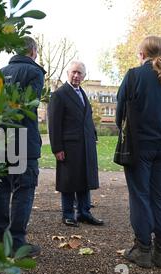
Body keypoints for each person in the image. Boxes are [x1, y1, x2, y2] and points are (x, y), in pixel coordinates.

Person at [117, 36, 161, 269]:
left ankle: (143, 249)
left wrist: (121, 129)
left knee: (140, 195)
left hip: (140, 145)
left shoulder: (134, 75)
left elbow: (120, 109)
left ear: (142, 54)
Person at [0, 36, 46, 257]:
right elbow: (28, 107)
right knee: (24, 188)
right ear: (33, 51)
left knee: (2, 186)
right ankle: (15, 241)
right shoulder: (34, 72)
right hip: (23, 138)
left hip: (0, 137)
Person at [48, 61, 103, 227]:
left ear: (84, 76)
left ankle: (84, 213)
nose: (76, 75)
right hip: (68, 146)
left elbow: (87, 116)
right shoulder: (59, 94)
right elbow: (54, 124)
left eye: (80, 73)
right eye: (74, 72)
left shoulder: (82, 93)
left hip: (86, 144)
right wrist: (57, 148)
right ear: (67, 73)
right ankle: (68, 214)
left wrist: (93, 135)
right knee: (68, 180)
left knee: (85, 179)